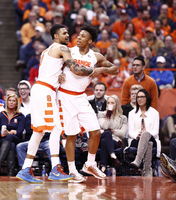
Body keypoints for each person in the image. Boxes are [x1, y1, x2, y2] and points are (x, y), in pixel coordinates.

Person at [16, 24, 93, 183]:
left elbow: (58, 69)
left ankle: (25, 168)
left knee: (40, 132)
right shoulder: (62, 48)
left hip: (41, 89)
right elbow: (75, 68)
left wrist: (60, 76)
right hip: (46, 91)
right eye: (64, 33)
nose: (68, 35)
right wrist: (92, 70)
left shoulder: (46, 51)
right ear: (56, 36)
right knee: (57, 128)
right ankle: (55, 168)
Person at [58, 24, 118, 182]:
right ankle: (72, 170)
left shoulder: (96, 56)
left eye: (83, 36)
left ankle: (89, 164)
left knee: (96, 131)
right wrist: (58, 76)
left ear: (90, 41)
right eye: (78, 35)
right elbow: (54, 66)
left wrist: (100, 70)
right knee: (70, 135)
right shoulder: (69, 51)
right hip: (65, 96)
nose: (78, 37)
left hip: (81, 96)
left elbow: (115, 69)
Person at [128, 89, 160, 177]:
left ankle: (137, 160)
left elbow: (155, 132)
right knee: (148, 144)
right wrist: (137, 135)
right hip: (136, 140)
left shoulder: (154, 113)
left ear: (147, 98)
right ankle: (147, 170)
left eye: (142, 97)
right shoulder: (131, 113)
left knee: (146, 136)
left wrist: (146, 134)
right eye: (138, 97)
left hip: (151, 138)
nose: (139, 99)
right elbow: (130, 132)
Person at [0, 94, 25, 176]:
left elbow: (19, 132)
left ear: (16, 103)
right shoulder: (0, 115)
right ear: (6, 102)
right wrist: (3, 134)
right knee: (11, 144)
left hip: (16, 139)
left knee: (10, 137)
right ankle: (10, 171)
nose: (11, 102)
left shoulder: (20, 116)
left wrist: (9, 133)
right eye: (9, 100)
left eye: (13, 101)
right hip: (2, 139)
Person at [98, 95, 127, 173]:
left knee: (106, 138)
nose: (110, 105)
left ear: (117, 104)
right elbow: (104, 126)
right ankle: (112, 155)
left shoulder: (123, 118)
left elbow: (123, 133)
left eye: (112, 103)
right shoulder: (102, 114)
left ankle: (103, 166)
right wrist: (109, 113)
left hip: (115, 141)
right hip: (101, 138)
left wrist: (113, 131)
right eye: (108, 103)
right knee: (106, 134)